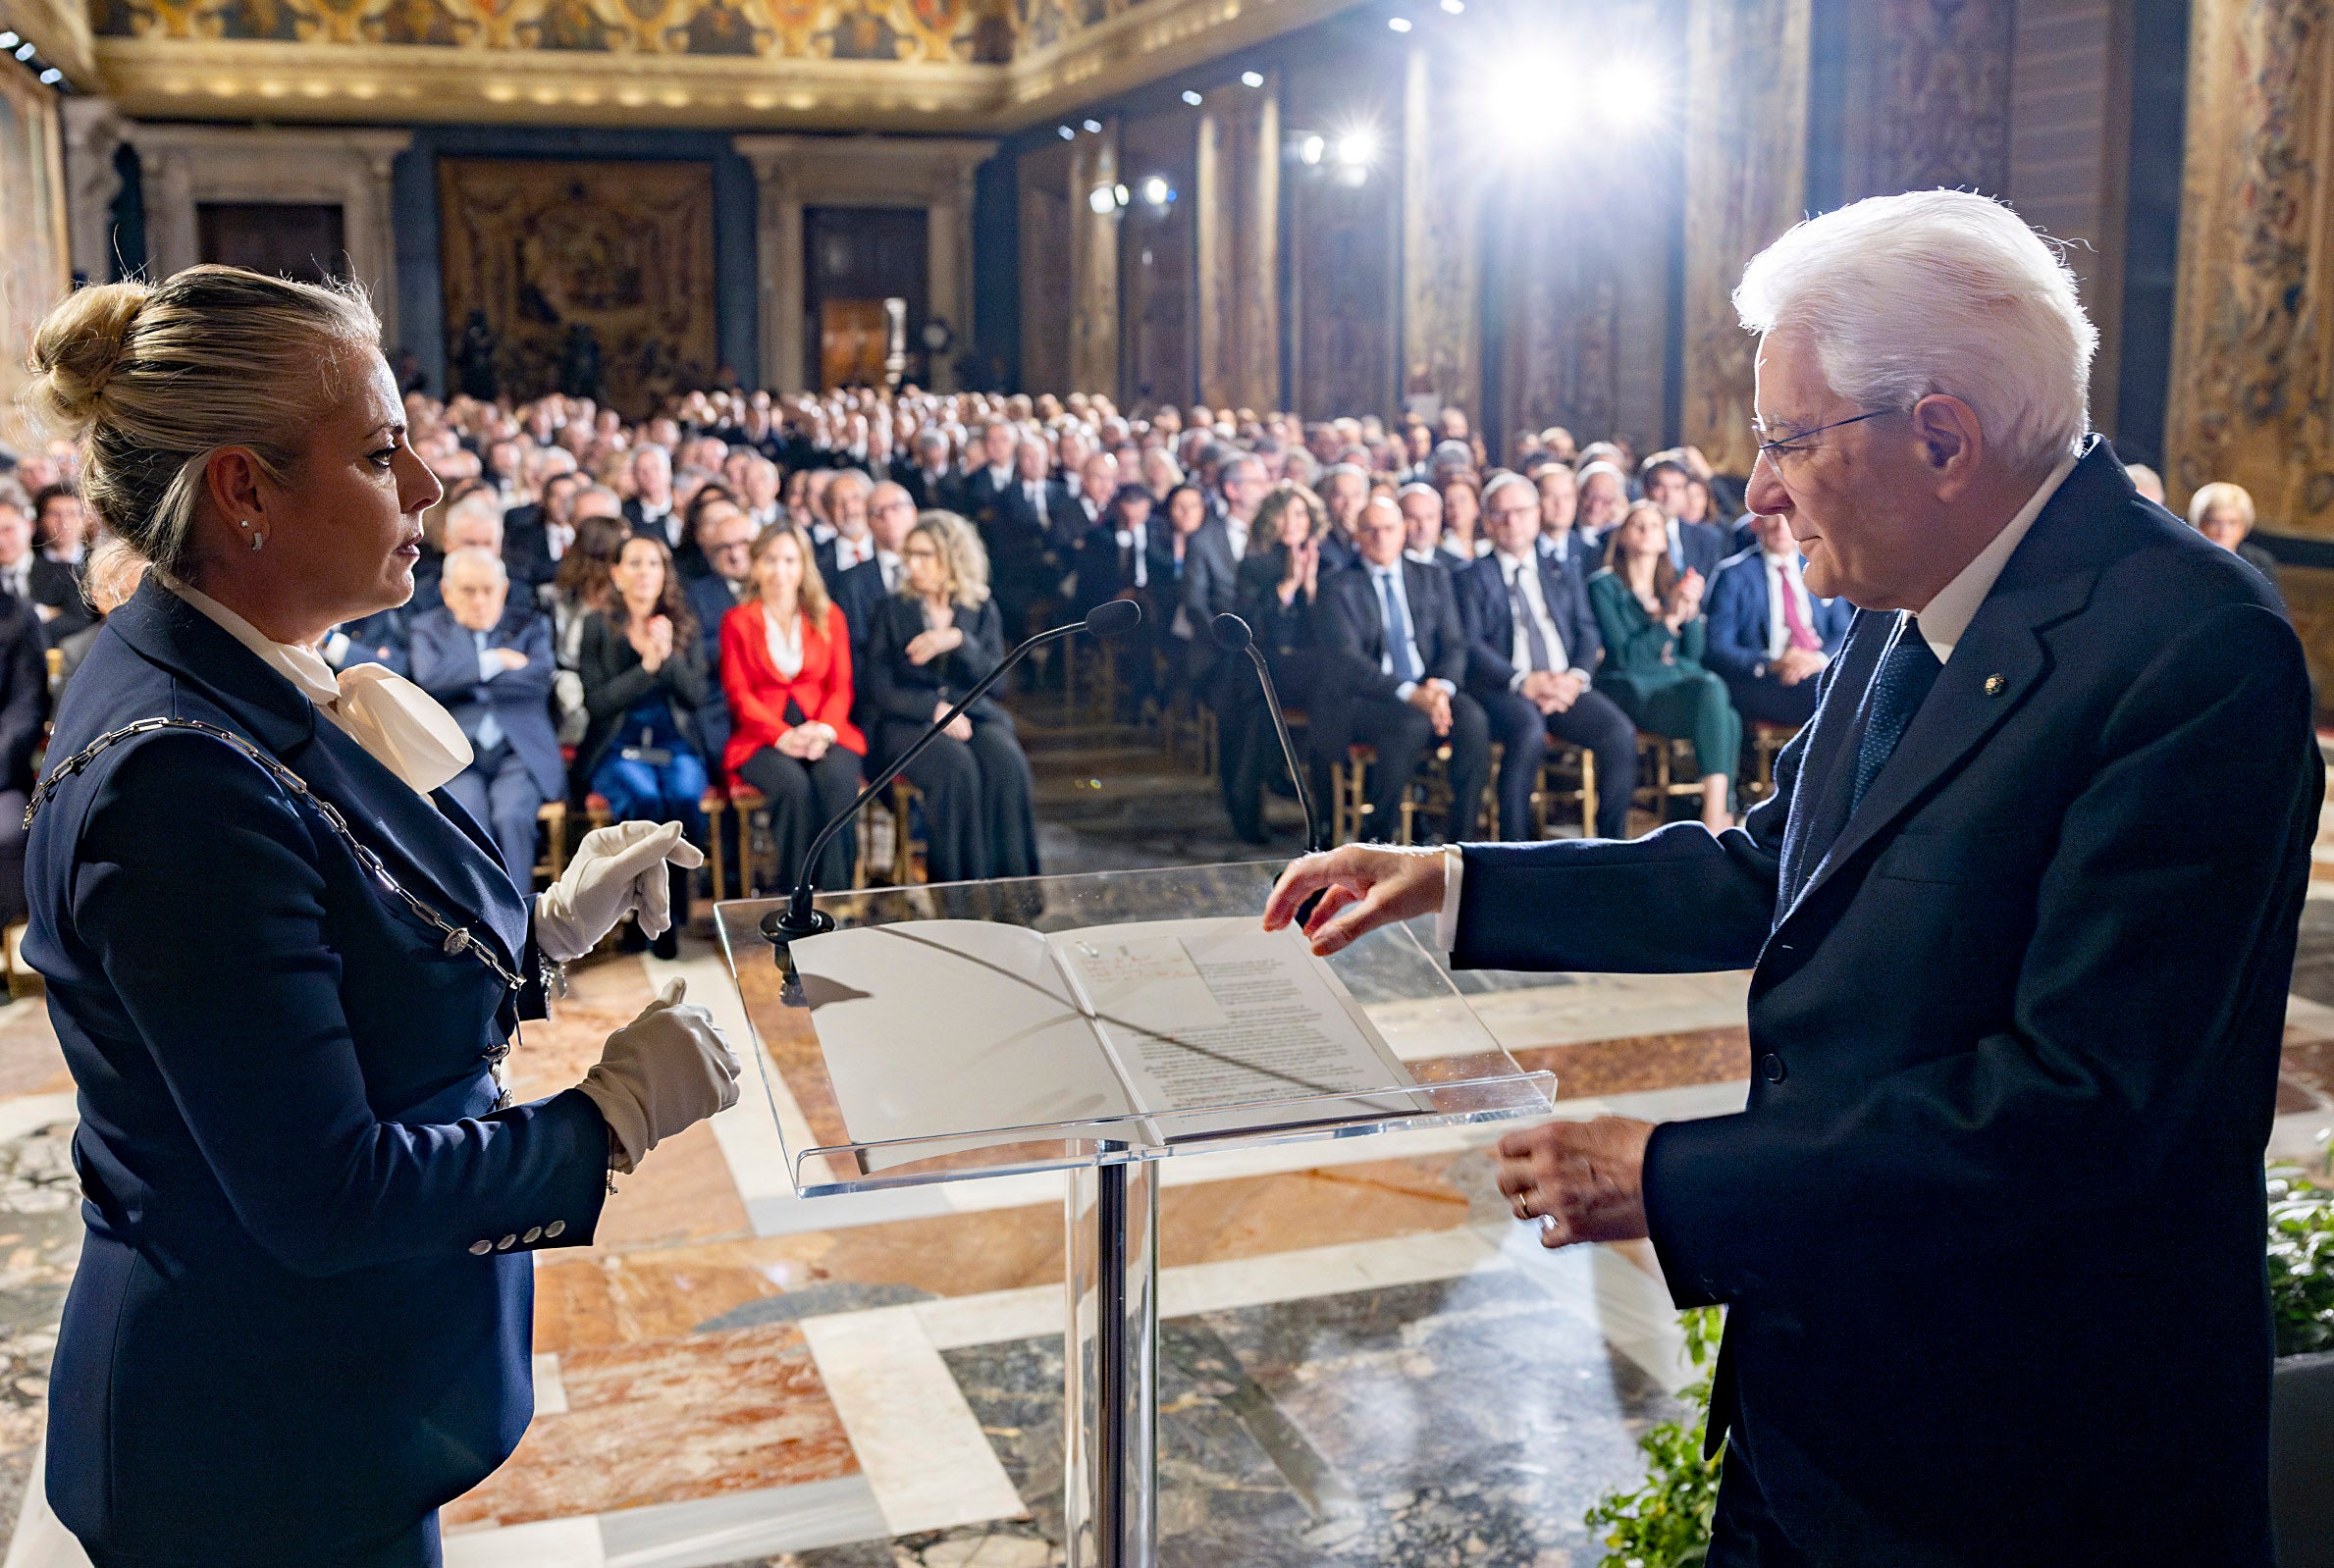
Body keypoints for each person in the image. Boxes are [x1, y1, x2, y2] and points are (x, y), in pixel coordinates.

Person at [1263, 189, 2321, 1566]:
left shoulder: (2190, 652)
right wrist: (1454, 877)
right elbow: (1774, 864)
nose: (1753, 491)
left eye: (1784, 441)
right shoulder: (1913, 591)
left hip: (2026, 1457)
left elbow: (2083, 1105)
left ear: (1938, 434)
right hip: (1817, 1404)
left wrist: (1676, 1177)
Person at [19, 265, 734, 1568]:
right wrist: (602, 1120)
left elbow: (333, 950)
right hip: (248, 1445)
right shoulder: (176, 778)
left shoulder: (228, 667)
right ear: (242, 489)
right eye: (378, 451)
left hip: (323, 1399)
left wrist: (544, 935)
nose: (424, 488)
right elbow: (324, 1189)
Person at [1457, 473, 1637, 840]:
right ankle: (1515, 848)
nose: (1512, 521)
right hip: (1505, 687)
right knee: (1528, 731)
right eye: (1501, 513)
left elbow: (1587, 631)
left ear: (1536, 515)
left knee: (1619, 733)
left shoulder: (1560, 568)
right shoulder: (1471, 576)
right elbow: (1471, 644)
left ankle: (1611, 844)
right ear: (1487, 522)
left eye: (1520, 511)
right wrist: (1523, 681)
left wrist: (1575, 678)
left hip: (1564, 683)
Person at [862, 514, 1038, 882]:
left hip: (971, 713)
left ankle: (1015, 888)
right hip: (907, 720)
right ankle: (960, 895)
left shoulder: (980, 609)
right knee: (957, 769)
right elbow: (878, 687)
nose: (912, 565)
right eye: (909, 555)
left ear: (952, 557)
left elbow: (998, 685)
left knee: (1007, 762)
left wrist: (959, 640)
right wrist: (934, 709)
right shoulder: (891, 609)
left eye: (925, 555)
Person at [1311, 497, 1489, 844]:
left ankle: (1462, 840)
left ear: (1403, 531)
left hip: (1430, 688)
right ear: (1357, 536)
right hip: (1366, 697)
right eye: (1371, 530)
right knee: (1410, 724)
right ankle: (1378, 838)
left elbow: (1454, 643)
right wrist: (1413, 695)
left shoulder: (1431, 576)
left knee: (1473, 719)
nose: (1381, 537)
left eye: (1389, 528)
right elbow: (1347, 662)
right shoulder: (1337, 586)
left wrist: (1441, 689)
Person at [575, 534, 716, 959]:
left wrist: (668, 657)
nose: (644, 573)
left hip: (674, 744)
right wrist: (647, 667)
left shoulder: (684, 621)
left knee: (683, 797)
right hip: (619, 744)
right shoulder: (597, 625)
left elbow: (696, 697)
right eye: (634, 564)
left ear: (664, 573)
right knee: (644, 800)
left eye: (653, 564)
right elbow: (597, 703)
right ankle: (640, 914)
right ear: (617, 574)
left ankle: (671, 910)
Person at [719, 522, 866, 893]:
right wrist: (783, 736)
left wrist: (823, 730)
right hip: (762, 736)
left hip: (824, 728)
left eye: (789, 560)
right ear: (755, 566)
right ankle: (796, 895)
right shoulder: (737, 621)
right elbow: (740, 695)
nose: (779, 571)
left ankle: (838, 897)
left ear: (803, 566)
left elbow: (841, 686)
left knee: (835, 782)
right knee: (794, 787)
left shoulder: (829, 615)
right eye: (770, 560)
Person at [409, 548, 563, 888]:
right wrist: (495, 661)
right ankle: (482, 916)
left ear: (504, 590)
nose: (479, 601)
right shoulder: (427, 628)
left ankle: (520, 921)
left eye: (488, 590)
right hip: (460, 755)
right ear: (447, 592)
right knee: (469, 816)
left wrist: (463, 679)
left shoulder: (530, 624)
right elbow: (429, 678)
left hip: (518, 753)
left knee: (511, 815)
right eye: (468, 590)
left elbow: (539, 676)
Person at [1589, 499, 1738, 831]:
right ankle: (1718, 816)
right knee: (1715, 693)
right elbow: (1625, 657)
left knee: (1726, 709)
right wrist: (1669, 620)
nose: (1646, 531)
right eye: (1637, 525)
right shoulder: (1604, 585)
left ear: (1664, 540)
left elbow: (1693, 654)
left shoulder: (1669, 587)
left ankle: (1717, 811)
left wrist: (1691, 610)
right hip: (1628, 688)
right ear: (1623, 536)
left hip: (1670, 684)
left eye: (1654, 526)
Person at [1224, 485, 1345, 842]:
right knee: (1255, 709)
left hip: (1314, 666)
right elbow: (1249, 626)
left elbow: (1334, 628)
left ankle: (1330, 810)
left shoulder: (1331, 561)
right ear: (1269, 520)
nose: (1293, 522)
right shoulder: (1255, 565)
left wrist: (1310, 592)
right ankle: (1249, 810)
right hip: (1264, 665)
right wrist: (1287, 588)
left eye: (1300, 514)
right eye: (1284, 513)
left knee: (1338, 692)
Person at [1702, 509, 1853, 728]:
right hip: (1765, 679)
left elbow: (1844, 631)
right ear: (1756, 523)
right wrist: (1772, 663)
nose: (1781, 527)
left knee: (1852, 688)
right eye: (1773, 517)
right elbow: (1718, 647)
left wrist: (1817, 660)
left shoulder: (1819, 567)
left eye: (1788, 518)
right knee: (1835, 696)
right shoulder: (1732, 575)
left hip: (1817, 669)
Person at [0, 489, 92, 648]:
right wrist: (40, 615)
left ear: (29, 526)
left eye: (8, 530)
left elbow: (79, 623)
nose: (1, 540)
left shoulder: (65, 573)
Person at [2189, 480, 2285, 613]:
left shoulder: (2259, 561)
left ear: (2244, 525)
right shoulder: (2186, 560)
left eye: (2232, 522)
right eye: (2215, 522)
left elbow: (2275, 611)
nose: (2224, 531)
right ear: (2200, 522)